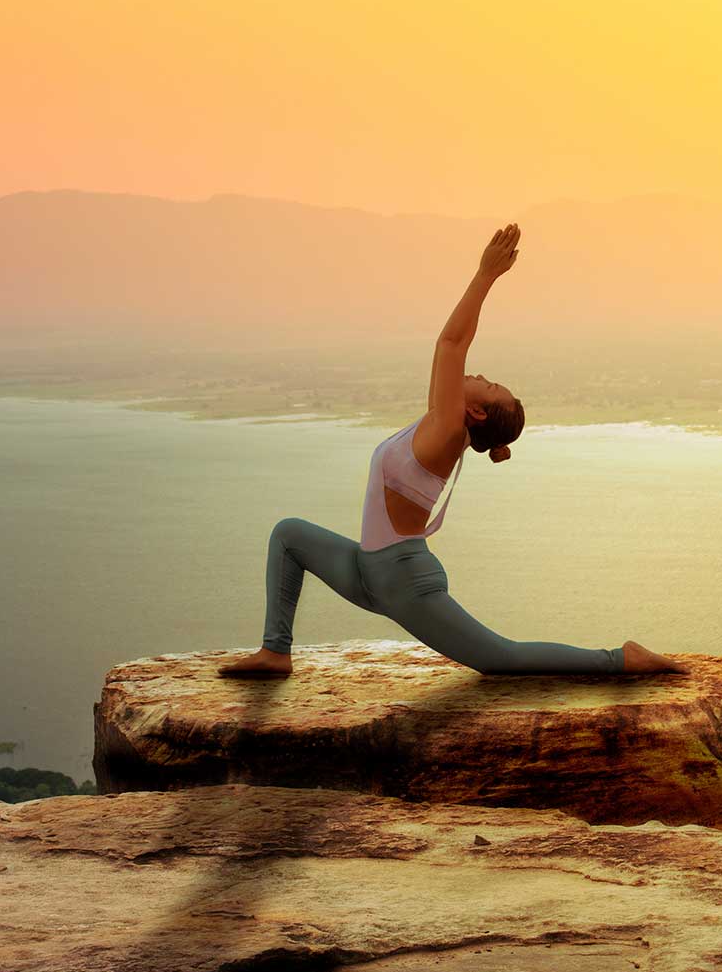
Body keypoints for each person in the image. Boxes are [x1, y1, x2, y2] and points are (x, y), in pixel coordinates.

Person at [219, 222, 682, 678]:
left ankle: (621, 659)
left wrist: (486, 275)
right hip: (367, 571)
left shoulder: (445, 428)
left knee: (500, 659)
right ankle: (275, 651)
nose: (480, 374)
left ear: (477, 411)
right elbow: (483, 425)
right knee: (289, 534)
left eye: (490, 384)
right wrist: (499, 443)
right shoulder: (449, 428)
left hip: (403, 580)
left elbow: (451, 342)